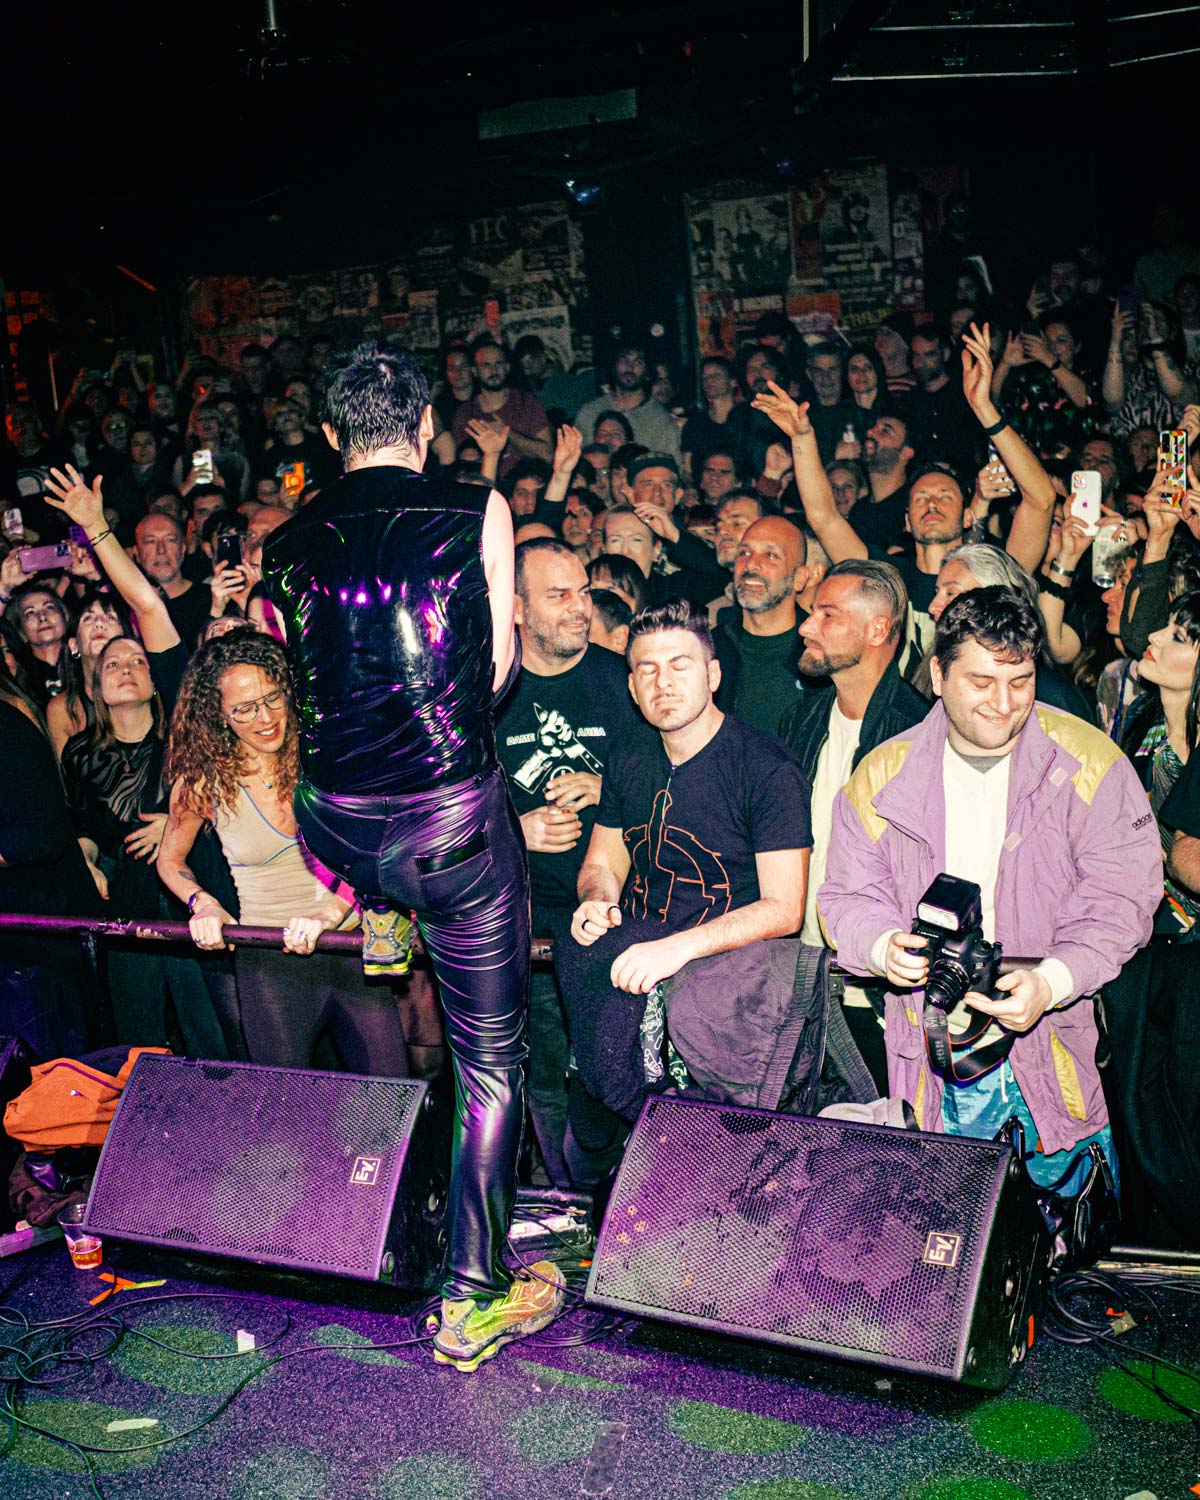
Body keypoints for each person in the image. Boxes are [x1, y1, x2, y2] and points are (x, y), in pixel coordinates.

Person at [260, 341, 563, 1371]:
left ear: (331, 436)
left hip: (333, 823)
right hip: (444, 828)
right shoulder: (475, 507)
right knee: (491, 1065)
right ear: (426, 424)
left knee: (388, 862)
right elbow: (499, 669)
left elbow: (313, 672)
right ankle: (474, 1295)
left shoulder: (287, 539)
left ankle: (386, 909)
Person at [819, 588, 1162, 1196]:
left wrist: (1052, 981)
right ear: (937, 676)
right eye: (981, 682)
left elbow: (1122, 897)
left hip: (1050, 1046)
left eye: (1020, 682)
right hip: (930, 1051)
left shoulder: (1089, 762)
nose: (1004, 705)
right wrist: (880, 947)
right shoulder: (881, 774)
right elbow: (847, 897)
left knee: (1066, 1223)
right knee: (946, 1229)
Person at [559, 600, 811, 1179]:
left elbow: (785, 908)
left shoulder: (765, 766)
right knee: (592, 1163)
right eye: (647, 669)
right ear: (631, 686)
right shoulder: (628, 755)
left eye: (680, 665)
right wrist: (596, 900)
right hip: (632, 990)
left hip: (727, 1007)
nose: (663, 682)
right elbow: (603, 860)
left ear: (713, 675)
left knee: (702, 1177)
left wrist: (677, 948)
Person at [157, 630, 409, 1074]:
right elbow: (169, 860)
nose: (266, 717)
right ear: (218, 714)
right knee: (286, 1104)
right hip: (269, 958)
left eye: (273, 698)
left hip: (349, 944)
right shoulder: (203, 780)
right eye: (245, 709)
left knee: (389, 1096)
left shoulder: (325, 757)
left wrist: (329, 914)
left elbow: (378, 850)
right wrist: (203, 903)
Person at [495, 538, 650, 1185]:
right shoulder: (489, 692)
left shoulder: (622, 680)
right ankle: (566, 1199)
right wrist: (516, 829)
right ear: (517, 609)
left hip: (616, 916)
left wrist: (609, 784)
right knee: (542, 1070)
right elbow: (451, 807)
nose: (580, 607)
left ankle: (622, 1201)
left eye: (583, 592)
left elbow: (670, 783)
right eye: (559, 595)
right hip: (526, 919)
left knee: (617, 1072)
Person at [780, 560, 927, 1087]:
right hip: (802, 973)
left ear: (878, 629)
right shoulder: (802, 719)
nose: (806, 625)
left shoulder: (918, 730)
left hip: (877, 989)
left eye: (828, 614)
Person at [1102, 593, 1200, 1244]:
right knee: (1137, 1101)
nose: (1156, 640)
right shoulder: (1139, 723)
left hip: (1191, 948)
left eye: (1180, 637)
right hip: (1140, 938)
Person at [712, 515, 809, 734]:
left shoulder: (820, 656)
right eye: (744, 553)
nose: (751, 564)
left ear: (799, 578)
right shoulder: (710, 649)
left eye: (770, 555)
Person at [451, 337, 552, 476]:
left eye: (498, 363)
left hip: (526, 483)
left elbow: (547, 455)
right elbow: (463, 467)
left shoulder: (528, 402)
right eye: (486, 365)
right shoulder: (466, 413)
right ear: (474, 371)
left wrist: (508, 433)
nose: (493, 370)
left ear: (507, 367)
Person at [574, 344, 682, 462]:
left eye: (638, 362)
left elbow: (671, 466)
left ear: (647, 371)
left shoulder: (660, 421)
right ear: (614, 365)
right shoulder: (589, 413)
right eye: (624, 360)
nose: (630, 368)